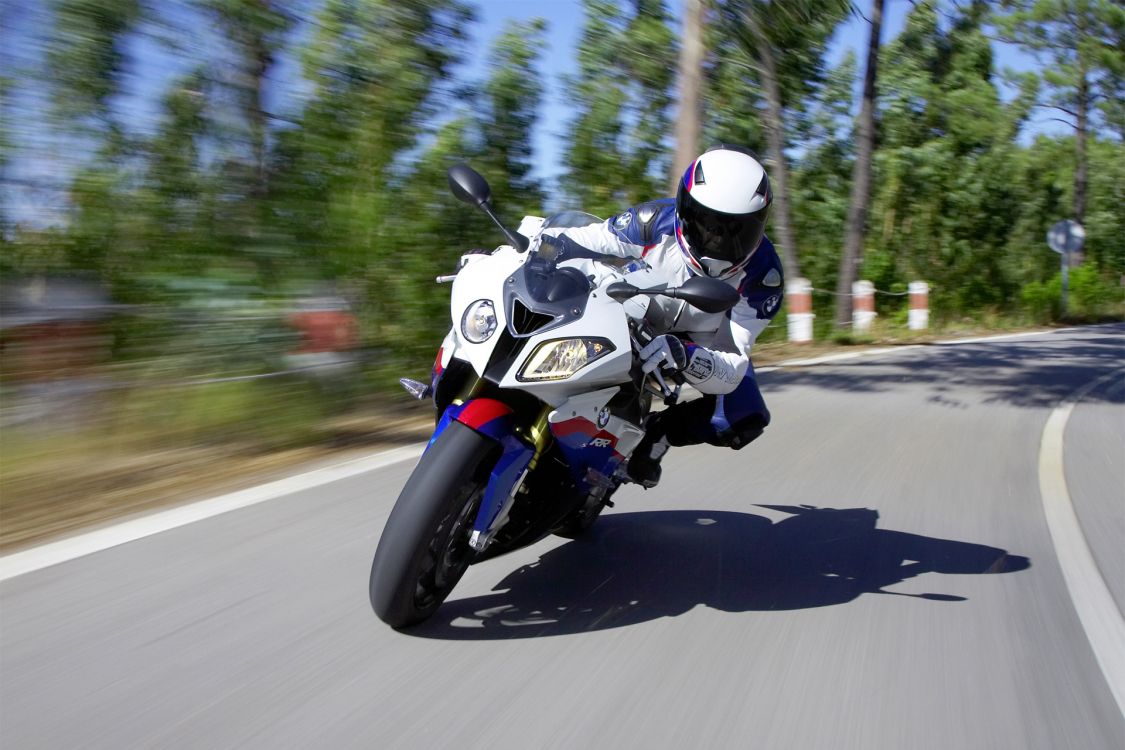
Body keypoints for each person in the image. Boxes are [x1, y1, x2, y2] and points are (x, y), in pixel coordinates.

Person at [546, 144, 784, 487]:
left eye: (734, 230)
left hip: (700, 340)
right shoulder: (653, 220)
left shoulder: (765, 278)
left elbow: (732, 364)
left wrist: (686, 355)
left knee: (744, 418)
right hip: (631, 308)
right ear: (685, 208)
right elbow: (590, 239)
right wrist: (537, 246)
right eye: (706, 224)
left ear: (760, 224)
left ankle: (658, 436)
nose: (715, 239)